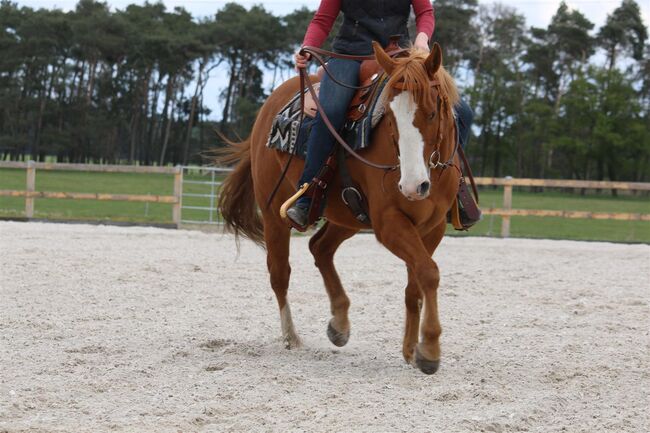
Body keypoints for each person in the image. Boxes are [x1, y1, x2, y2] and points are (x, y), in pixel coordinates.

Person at [287, 0, 474, 228]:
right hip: (350, 56)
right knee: (331, 111)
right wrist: (308, 47)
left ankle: (455, 189)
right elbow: (322, 20)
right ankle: (307, 195)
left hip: (400, 55)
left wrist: (422, 37)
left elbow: (425, 11)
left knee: (462, 111)